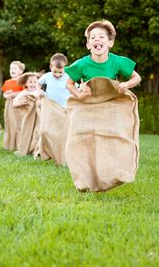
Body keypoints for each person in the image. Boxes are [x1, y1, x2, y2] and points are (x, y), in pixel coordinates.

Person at [63, 20, 142, 192]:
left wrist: (126, 85)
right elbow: (69, 83)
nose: (97, 40)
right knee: (77, 140)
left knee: (113, 138)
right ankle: (83, 180)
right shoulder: (82, 64)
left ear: (110, 42)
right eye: (93, 38)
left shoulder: (117, 62)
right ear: (88, 44)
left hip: (110, 105)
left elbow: (137, 77)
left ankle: (116, 172)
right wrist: (78, 94)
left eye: (101, 37)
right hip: (87, 105)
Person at [34, 53, 70, 165]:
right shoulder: (48, 76)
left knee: (62, 134)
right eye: (55, 72)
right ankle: (44, 151)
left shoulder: (69, 77)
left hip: (64, 109)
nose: (58, 75)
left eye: (60, 72)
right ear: (50, 67)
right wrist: (39, 91)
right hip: (50, 108)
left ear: (65, 68)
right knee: (44, 131)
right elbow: (38, 83)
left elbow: (76, 87)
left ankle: (62, 156)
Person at [13, 72, 43, 156]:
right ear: (26, 83)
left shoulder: (39, 92)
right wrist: (21, 103)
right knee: (26, 132)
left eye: (35, 82)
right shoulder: (24, 93)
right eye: (30, 82)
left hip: (38, 115)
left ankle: (36, 149)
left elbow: (45, 100)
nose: (33, 84)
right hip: (28, 116)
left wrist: (40, 102)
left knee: (37, 132)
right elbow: (14, 103)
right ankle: (24, 149)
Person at [1, 61, 25, 150]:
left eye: (15, 68)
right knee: (9, 123)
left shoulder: (21, 81)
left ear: (21, 71)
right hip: (9, 105)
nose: (12, 70)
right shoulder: (7, 82)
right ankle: (9, 144)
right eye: (11, 68)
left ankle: (19, 144)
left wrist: (14, 94)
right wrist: (6, 95)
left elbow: (24, 92)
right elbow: (4, 94)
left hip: (18, 104)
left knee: (17, 124)